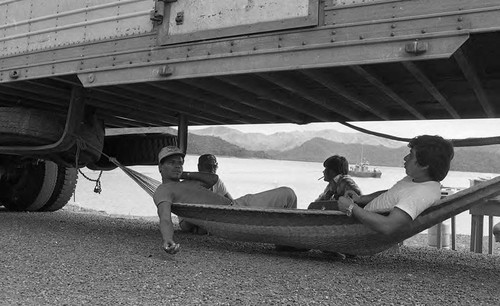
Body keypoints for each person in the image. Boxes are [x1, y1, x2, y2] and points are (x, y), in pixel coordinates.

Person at [153, 146, 297, 254]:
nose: (178, 165)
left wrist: (183, 173)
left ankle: (286, 240)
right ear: (160, 167)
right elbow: (165, 218)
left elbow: (213, 179)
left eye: (180, 163)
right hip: (232, 214)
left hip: (238, 206)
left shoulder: (187, 183)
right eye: (172, 163)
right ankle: (288, 241)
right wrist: (168, 239)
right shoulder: (163, 191)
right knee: (287, 193)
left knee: (288, 195)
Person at [338, 135, 454, 236]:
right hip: (361, 217)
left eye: (411, 155)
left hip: (362, 229)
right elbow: (391, 193)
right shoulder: (416, 180)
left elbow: (388, 226)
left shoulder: (420, 194)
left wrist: (352, 208)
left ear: (424, 166)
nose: (405, 158)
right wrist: (360, 199)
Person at [178, 154, 233, 234]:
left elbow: (231, 202)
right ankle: (202, 228)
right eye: (208, 166)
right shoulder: (189, 182)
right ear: (199, 167)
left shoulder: (217, 181)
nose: (212, 169)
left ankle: (201, 228)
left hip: (206, 217)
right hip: (187, 219)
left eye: (214, 166)